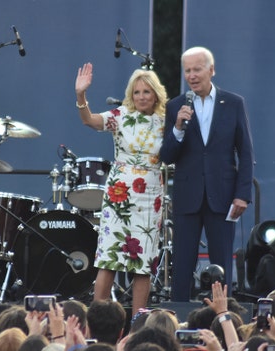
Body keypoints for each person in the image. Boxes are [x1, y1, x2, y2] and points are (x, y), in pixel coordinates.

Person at [159, 46, 254, 300]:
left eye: (197, 69)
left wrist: (242, 194)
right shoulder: (176, 106)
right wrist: (178, 128)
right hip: (187, 197)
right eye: (187, 70)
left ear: (211, 70)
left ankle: (223, 318)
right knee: (182, 265)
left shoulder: (233, 103)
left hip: (222, 197)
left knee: (222, 263)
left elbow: (245, 152)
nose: (192, 75)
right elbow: (166, 156)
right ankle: (178, 319)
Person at [75, 63, 168, 313]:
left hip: (150, 196)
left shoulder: (165, 122)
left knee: (143, 263)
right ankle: (98, 320)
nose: (141, 97)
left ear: (156, 94)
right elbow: (90, 121)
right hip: (120, 194)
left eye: (146, 92)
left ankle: (137, 326)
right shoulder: (120, 116)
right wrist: (81, 94)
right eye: (136, 92)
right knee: (109, 258)